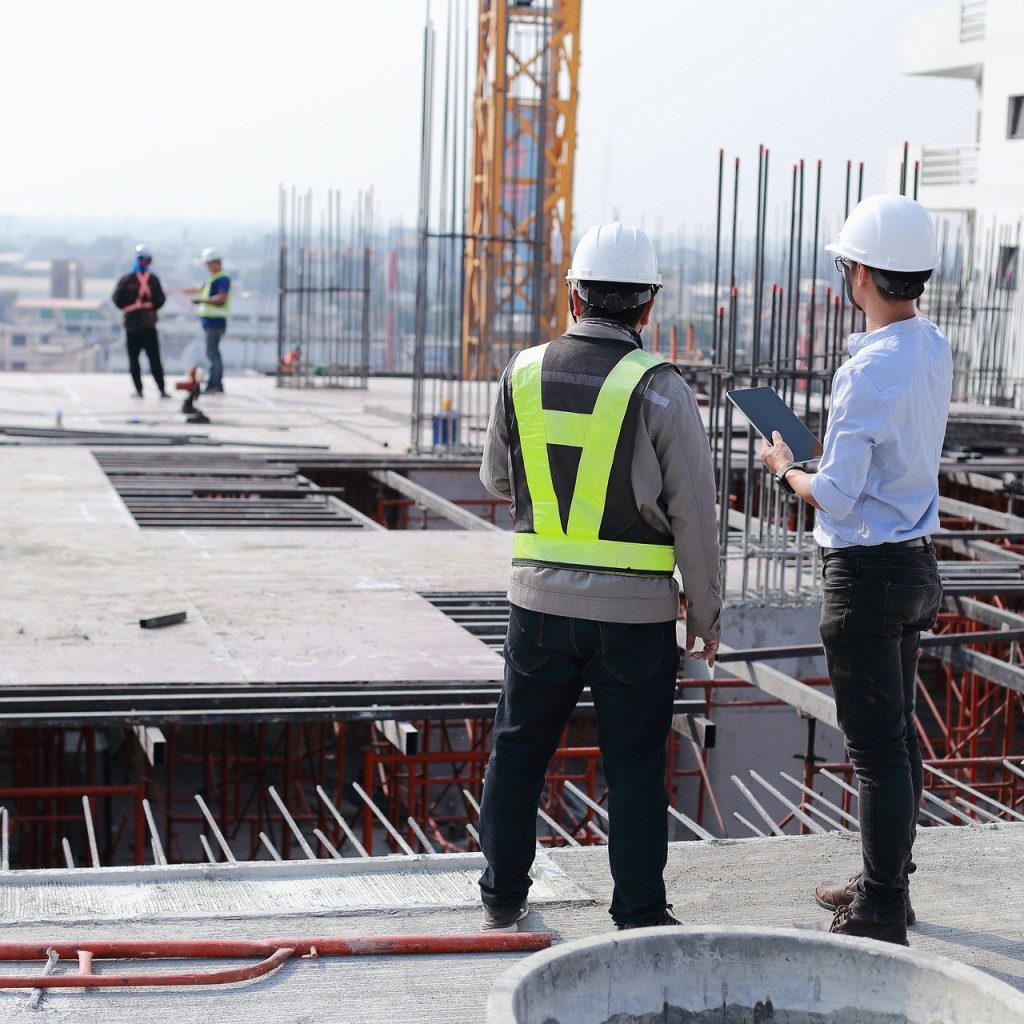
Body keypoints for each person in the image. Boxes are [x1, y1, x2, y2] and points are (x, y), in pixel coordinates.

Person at [477, 222, 722, 932]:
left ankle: (501, 893)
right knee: (637, 767)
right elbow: (697, 522)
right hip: (637, 620)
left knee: (519, 748)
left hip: (538, 608)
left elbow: (498, 477)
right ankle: (640, 912)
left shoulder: (522, 371)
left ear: (575, 294)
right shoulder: (662, 389)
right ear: (648, 307)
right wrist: (705, 619)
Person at [760, 194, 951, 946]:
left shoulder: (866, 369)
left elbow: (835, 495)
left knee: (876, 751)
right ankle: (885, 885)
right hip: (914, 564)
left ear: (860, 273)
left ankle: (879, 909)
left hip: (866, 573)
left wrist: (785, 468)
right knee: (898, 739)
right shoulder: (931, 345)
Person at [112, 245, 168, 398]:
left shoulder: (131, 279)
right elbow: (160, 300)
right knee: (141, 360)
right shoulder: (147, 280)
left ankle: (155, 389)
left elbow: (117, 300)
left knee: (150, 359)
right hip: (140, 325)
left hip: (139, 325)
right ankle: (149, 389)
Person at [184, 247, 231, 393]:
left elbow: (221, 298)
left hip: (215, 322)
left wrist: (202, 301)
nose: (207, 268)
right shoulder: (212, 279)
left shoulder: (222, 278)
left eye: (208, 264)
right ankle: (216, 383)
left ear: (215, 263)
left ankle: (215, 383)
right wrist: (179, 291)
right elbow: (198, 289)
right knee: (212, 352)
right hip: (210, 322)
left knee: (213, 354)